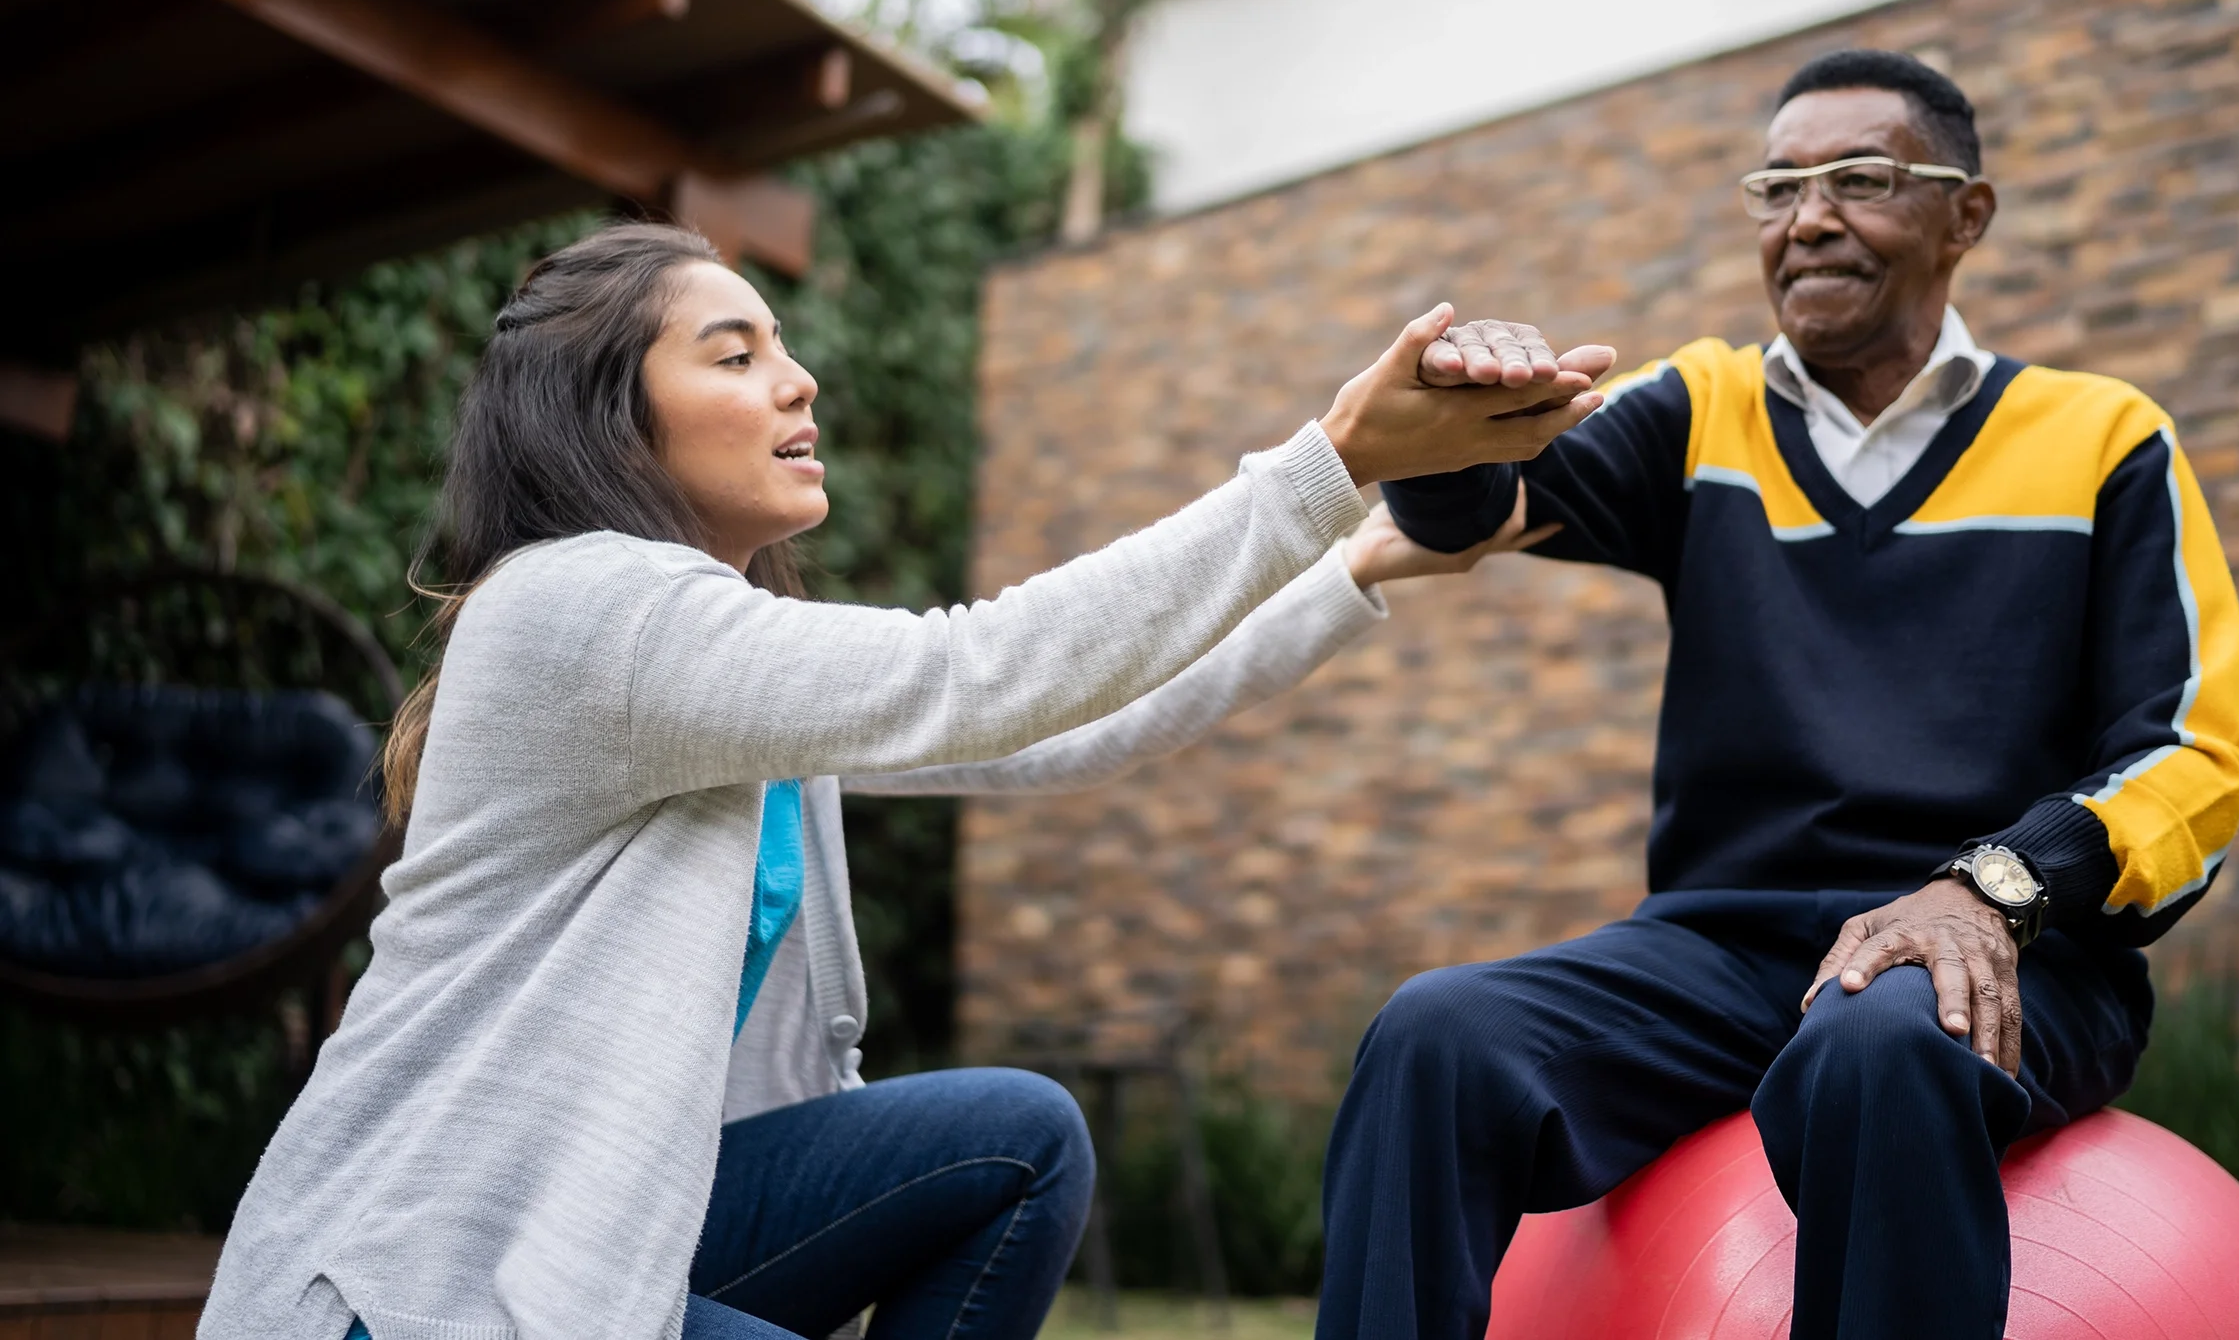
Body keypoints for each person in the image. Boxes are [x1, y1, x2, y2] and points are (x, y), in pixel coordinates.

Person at [196, 223, 1611, 1340]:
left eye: (783, 349)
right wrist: (1328, 462)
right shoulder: (587, 610)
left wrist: (1350, 563)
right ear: (612, 421)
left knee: (1017, 1137)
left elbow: (1056, 726)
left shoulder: (718, 670)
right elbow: (977, 668)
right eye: (735, 354)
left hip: (604, 1229)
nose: (798, 380)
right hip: (430, 1278)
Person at [1323, 49, 2239, 1340]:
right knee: (1436, 1037)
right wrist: (1449, 429)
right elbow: (1493, 498)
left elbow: (2192, 757)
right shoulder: (1703, 412)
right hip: (1722, 951)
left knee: (1882, 1043)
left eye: (1860, 178)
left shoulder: (2105, 439)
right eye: (1777, 187)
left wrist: (1991, 885)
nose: (1807, 216)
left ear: (1964, 215)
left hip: (2004, 958)